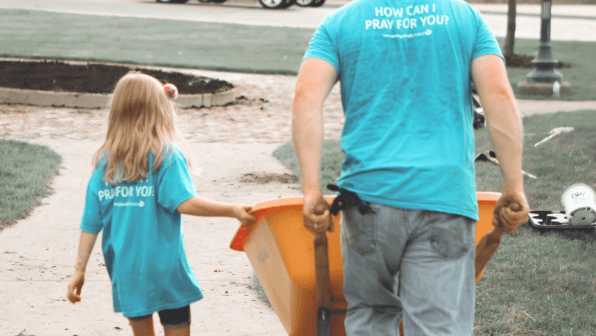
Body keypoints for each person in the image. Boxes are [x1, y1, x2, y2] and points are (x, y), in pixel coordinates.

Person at [291, 0, 530, 334]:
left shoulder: (340, 23)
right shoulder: (464, 18)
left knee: (371, 314)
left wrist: (312, 190)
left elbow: (305, 97)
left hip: (367, 198)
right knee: (437, 325)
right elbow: (499, 98)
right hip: (443, 197)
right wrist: (514, 185)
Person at [66, 73, 256, 336]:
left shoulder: (104, 164)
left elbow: (90, 223)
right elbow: (185, 203)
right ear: (159, 109)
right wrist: (231, 209)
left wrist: (79, 270)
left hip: (126, 269)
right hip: (166, 269)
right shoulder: (166, 156)